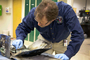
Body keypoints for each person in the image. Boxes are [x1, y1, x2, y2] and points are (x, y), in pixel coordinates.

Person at [12, 0, 84, 60]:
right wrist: (20, 38)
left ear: (53, 20)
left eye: (42, 23)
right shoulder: (33, 12)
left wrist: (68, 54)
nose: (39, 24)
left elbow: (78, 34)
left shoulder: (66, 10)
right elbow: (23, 26)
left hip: (62, 40)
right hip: (44, 38)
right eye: (37, 21)